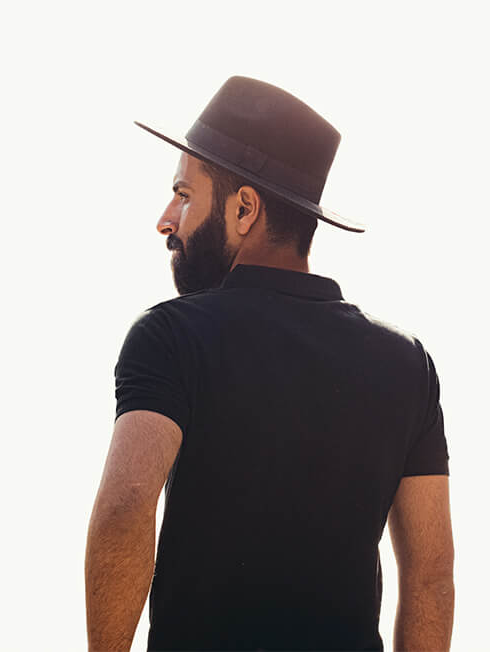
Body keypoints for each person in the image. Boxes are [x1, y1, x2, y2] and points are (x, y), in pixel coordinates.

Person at [85, 76, 454, 652]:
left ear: (244, 209)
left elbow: (124, 510)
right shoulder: (407, 363)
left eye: (184, 194)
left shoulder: (171, 336)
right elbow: (431, 576)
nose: (166, 219)